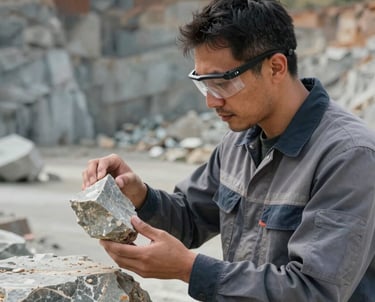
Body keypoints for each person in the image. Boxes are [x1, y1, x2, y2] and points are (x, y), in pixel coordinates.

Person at [82, 0, 375, 301]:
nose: (212, 102)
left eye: (221, 83)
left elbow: (314, 291)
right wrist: (140, 195)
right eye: (203, 85)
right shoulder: (239, 141)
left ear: (275, 67)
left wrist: (190, 269)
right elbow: (191, 217)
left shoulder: (349, 156)